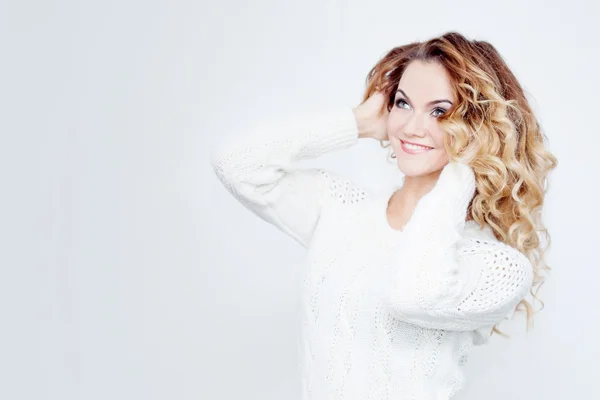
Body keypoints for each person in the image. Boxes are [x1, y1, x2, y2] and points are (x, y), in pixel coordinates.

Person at [210, 31, 557, 400]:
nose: (411, 127)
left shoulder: (498, 265)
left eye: (440, 111)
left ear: (478, 129)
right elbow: (236, 163)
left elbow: (413, 296)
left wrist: (462, 174)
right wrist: (356, 123)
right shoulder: (340, 210)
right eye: (403, 103)